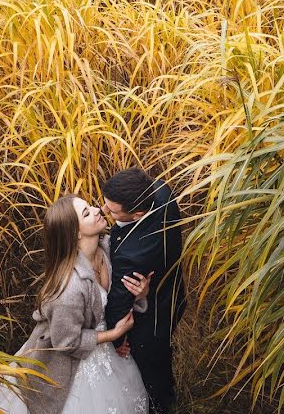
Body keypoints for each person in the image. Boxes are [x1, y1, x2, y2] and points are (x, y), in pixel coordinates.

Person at [0, 195, 150, 414]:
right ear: (75, 233)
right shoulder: (68, 287)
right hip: (69, 361)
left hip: (108, 349)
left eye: (90, 205)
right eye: (86, 212)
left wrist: (141, 294)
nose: (97, 209)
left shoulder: (109, 249)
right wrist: (113, 335)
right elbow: (66, 341)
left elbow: (117, 300)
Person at [102, 168, 186, 414]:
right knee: (162, 357)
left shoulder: (132, 255)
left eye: (113, 210)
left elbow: (118, 301)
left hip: (152, 318)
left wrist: (116, 339)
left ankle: (160, 405)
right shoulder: (160, 190)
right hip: (172, 293)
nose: (105, 212)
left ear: (137, 213)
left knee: (151, 365)